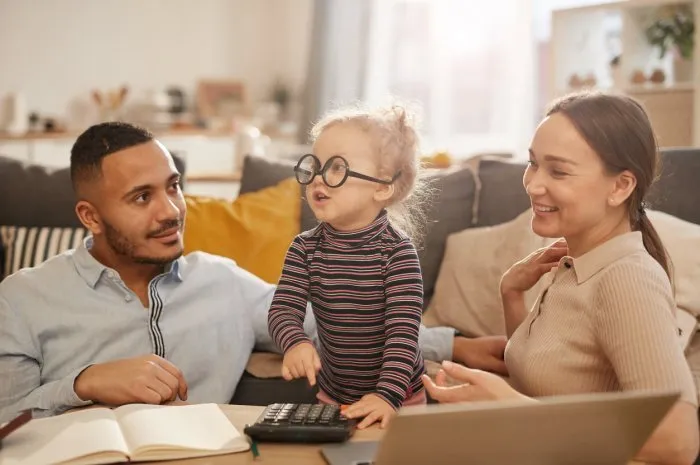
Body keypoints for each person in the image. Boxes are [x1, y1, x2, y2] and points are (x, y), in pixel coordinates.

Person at [0, 121, 505, 424]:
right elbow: (6, 417)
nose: (172, 211)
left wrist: (454, 345)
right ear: (90, 217)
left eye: (174, 187)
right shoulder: (23, 298)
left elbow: (338, 325)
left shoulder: (222, 282)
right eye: (141, 197)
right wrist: (84, 383)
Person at [422, 91, 699, 465]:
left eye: (558, 171)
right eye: (533, 164)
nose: (533, 185)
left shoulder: (627, 279)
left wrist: (508, 407)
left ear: (620, 187)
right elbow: (544, 376)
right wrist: (511, 294)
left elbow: (677, 443)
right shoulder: (575, 263)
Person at [268, 104, 429, 429]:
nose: (316, 179)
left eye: (337, 168)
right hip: (334, 395)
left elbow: (403, 336)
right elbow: (283, 309)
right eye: (314, 166)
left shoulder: (397, 254)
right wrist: (295, 341)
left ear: (382, 187)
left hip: (401, 400)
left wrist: (387, 396)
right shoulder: (304, 249)